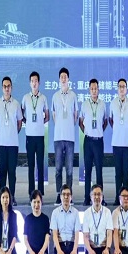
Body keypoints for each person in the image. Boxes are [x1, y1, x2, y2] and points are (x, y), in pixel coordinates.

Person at [52, 69, 77, 205]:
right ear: (59, 79)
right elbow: (54, 115)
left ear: (68, 79)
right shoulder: (55, 96)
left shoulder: (73, 96)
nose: (63, 79)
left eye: (65, 77)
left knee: (69, 170)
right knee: (58, 169)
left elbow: (75, 115)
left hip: (70, 138)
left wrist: (68, 126)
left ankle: (69, 195)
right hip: (58, 138)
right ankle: (58, 194)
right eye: (61, 77)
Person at [22, 71, 49, 201]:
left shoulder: (43, 98)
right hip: (29, 136)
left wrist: (39, 124)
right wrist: (28, 123)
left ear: (39, 83)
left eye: (36, 81)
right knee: (31, 165)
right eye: (32, 81)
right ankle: (31, 193)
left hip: (40, 136)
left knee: (40, 165)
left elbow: (47, 116)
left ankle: (40, 192)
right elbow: (21, 114)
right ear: (29, 83)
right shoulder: (25, 98)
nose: (34, 83)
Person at [0, 76, 21, 197]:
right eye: (4, 86)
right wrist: (0, 133)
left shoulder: (16, 104)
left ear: (11, 88)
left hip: (13, 144)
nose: (7, 88)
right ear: (2, 88)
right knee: (3, 172)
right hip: (1, 143)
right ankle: (2, 196)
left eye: (8, 86)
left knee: (12, 172)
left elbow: (19, 123)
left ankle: (12, 196)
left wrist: (12, 132)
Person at [79, 79, 106, 206]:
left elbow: (105, 122)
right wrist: (88, 132)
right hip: (88, 141)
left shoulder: (102, 104)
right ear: (89, 90)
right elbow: (81, 121)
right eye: (92, 89)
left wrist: (98, 132)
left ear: (98, 90)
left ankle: (101, 198)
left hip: (98, 141)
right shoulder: (85, 104)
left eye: (96, 88)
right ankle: (87, 197)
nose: (94, 91)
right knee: (88, 170)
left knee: (99, 171)